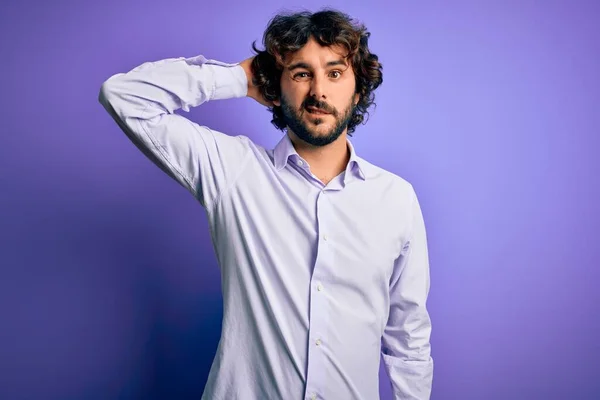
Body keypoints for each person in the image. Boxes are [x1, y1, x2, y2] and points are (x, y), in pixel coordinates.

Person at [98, 7, 433, 400]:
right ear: (276, 86)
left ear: (357, 90)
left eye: (335, 72)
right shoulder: (233, 171)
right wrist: (238, 77)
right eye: (301, 73)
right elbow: (122, 97)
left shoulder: (396, 198)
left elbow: (408, 339)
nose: (319, 91)